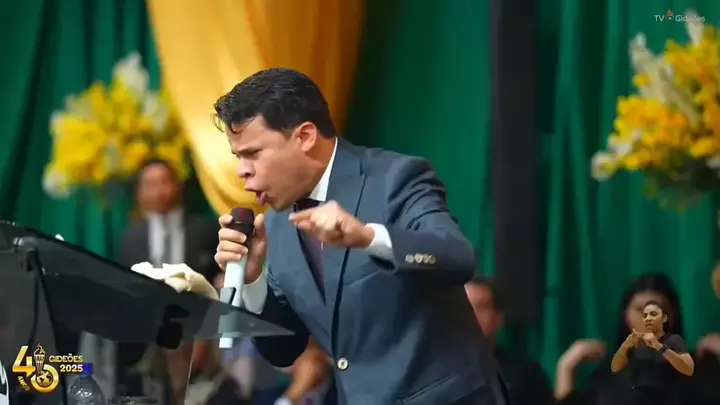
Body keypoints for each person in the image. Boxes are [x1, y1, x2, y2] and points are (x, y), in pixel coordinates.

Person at [212, 68, 508, 405]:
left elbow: (457, 256)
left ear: (305, 136)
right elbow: (284, 350)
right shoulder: (278, 223)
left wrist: (368, 238)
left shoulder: (394, 178)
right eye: (238, 157)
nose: (242, 171)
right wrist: (253, 279)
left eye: (252, 154)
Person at [118, 159, 220, 400]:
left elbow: (218, 283)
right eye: (150, 184)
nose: (159, 191)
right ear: (139, 193)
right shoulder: (130, 239)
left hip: (199, 331)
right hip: (147, 337)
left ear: (178, 186)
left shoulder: (205, 231)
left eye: (164, 182)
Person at [554, 273, 690, 405]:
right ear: (626, 315)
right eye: (640, 310)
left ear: (672, 316)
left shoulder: (689, 374)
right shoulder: (606, 377)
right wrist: (565, 367)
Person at [464, 276, 553, 405]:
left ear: (498, 318)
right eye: (464, 308)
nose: (471, 316)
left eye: (481, 308)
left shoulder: (527, 375)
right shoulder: (436, 373)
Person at [609, 300, 693, 405]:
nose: (648, 318)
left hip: (666, 398)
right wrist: (625, 346)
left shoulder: (674, 340)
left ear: (664, 318)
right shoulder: (638, 342)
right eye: (645, 315)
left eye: (653, 314)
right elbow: (615, 368)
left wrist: (660, 347)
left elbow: (689, 369)